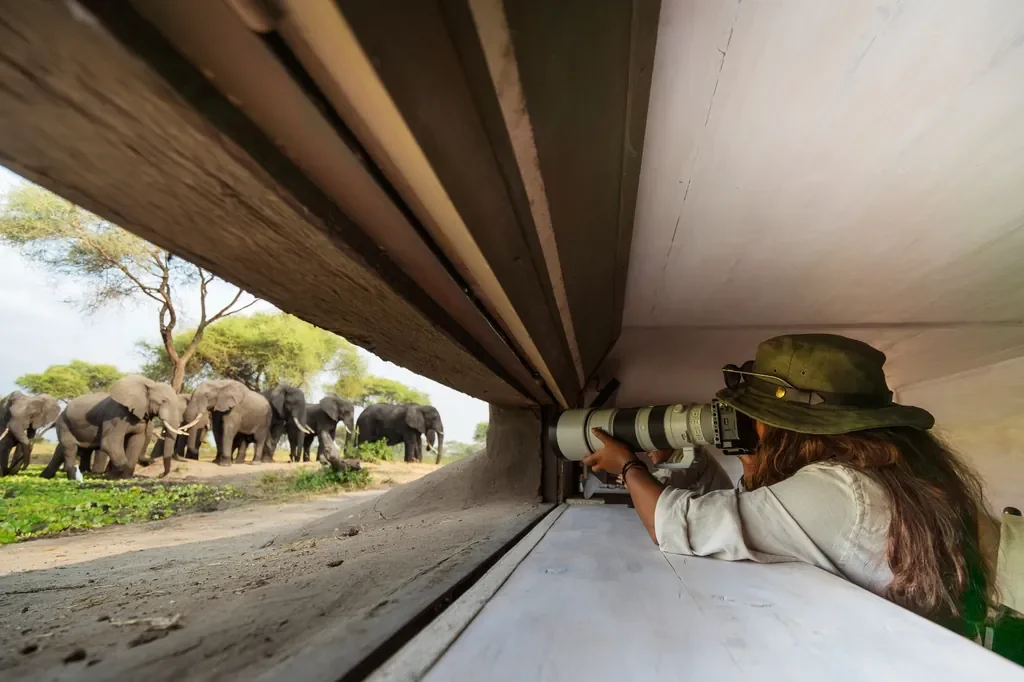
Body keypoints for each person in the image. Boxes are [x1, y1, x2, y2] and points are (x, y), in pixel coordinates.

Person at [583, 334, 992, 636]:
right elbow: (759, 516)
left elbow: (676, 524)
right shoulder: (887, 473)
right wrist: (722, 463)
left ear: (792, 428)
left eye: (759, 417)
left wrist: (627, 465)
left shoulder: (839, 490)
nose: (754, 428)